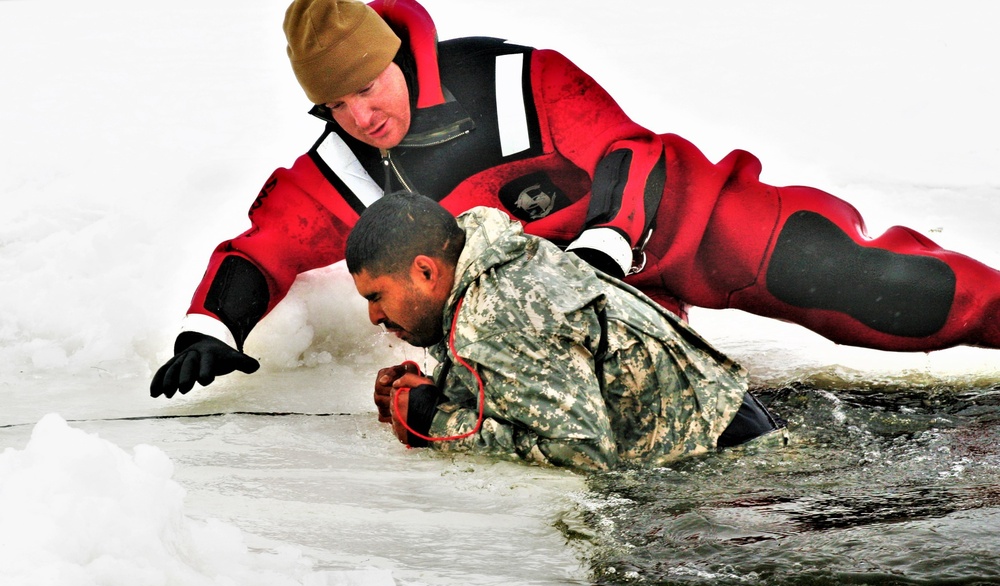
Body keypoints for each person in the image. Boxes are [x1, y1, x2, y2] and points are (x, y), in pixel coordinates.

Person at [151, 0, 1000, 399]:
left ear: (401, 57)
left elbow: (627, 153)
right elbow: (265, 246)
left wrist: (608, 244)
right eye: (336, 104)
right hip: (568, 319)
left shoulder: (518, 78)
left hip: (684, 227)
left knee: (881, 288)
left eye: (369, 87)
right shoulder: (345, 164)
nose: (361, 116)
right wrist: (212, 327)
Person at [346, 192, 785, 471]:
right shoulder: (486, 267)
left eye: (376, 296)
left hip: (731, 463)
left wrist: (434, 421)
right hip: (728, 422)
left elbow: (582, 453)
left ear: (424, 271)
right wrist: (433, 391)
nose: (373, 317)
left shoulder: (499, 311)